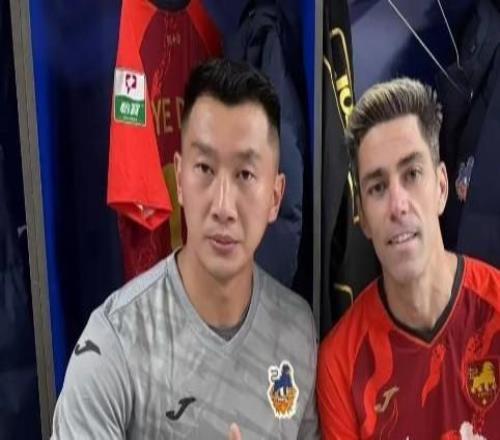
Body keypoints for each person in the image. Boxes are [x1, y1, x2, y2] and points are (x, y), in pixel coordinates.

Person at [51, 59, 319, 439]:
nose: (223, 206)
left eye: (245, 174)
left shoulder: (297, 330)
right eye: (205, 169)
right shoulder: (113, 343)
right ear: (178, 179)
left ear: (275, 197)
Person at [316, 78, 500, 439]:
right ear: (362, 216)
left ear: (442, 188)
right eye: (377, 187)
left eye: (412, 174)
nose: (397, 205)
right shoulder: (341, 361)